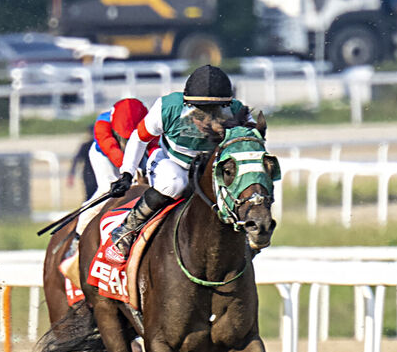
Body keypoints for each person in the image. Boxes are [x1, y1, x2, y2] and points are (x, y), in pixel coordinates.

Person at [108, 65, 256, 258]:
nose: (208, 120)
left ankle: (249, 236)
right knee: (175, 183)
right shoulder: (166, 107)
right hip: (171, 163)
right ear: (188, 105)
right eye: (201, 112)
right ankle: (127, 229)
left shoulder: (239, 111)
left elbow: (253, 143)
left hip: (209, 170)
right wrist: (127, 173)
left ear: (227, 106)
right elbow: (138, 138)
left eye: (216, 112)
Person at [60, 97, 158, 279]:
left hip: (136, 154)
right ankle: (77, 242)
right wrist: (127, 174)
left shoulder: (150, 123)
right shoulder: (102, 125)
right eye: (125, 137)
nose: (128, 141)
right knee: (107, 192)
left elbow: (154, 148)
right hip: (104, 156)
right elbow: (112, 149)